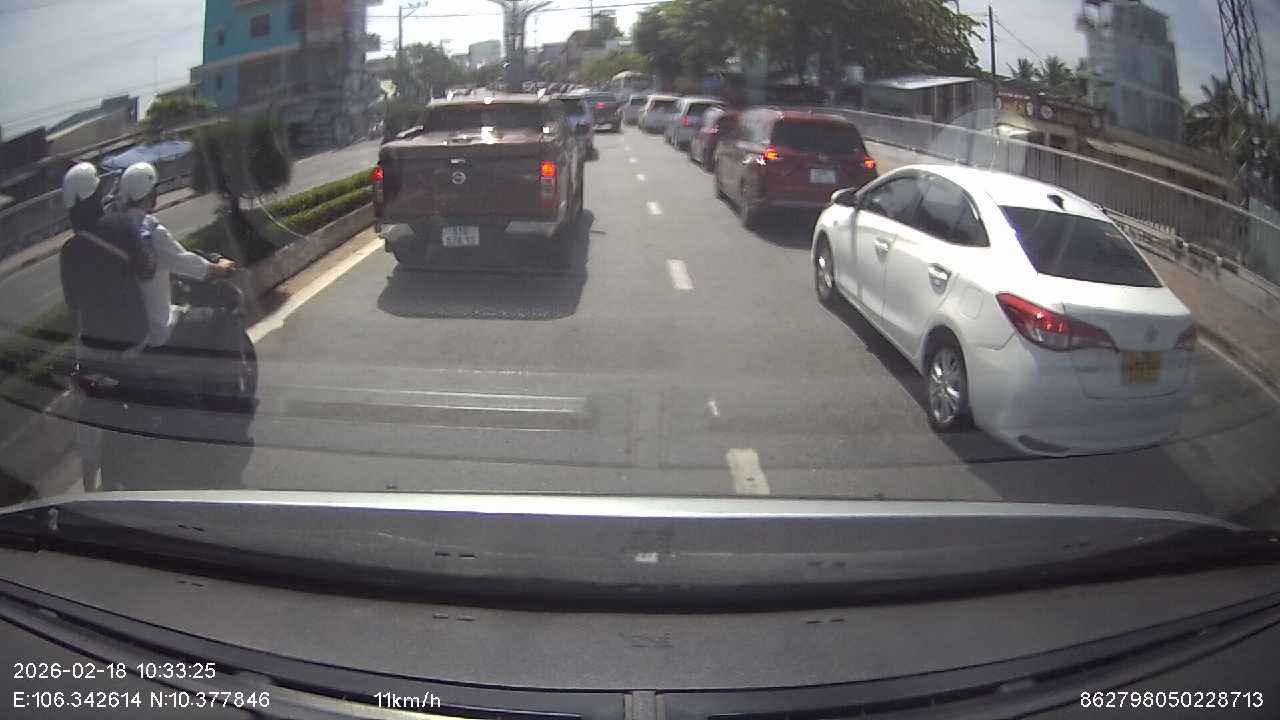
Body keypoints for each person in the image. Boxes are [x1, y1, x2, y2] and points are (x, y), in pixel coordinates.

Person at [58, 161, 154, 490]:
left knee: (88, 409)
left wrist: (78, 354)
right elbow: (146, 271)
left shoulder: (69, 251)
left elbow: (73, 306)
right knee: (152, 391)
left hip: (93, 347)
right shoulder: (121, 224)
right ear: (97, 194)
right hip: (133, 339)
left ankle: (87, 485)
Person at [113, 162, 237, 356]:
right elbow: (188, 264)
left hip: (128, 334)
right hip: (160, 330)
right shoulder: (151, 232)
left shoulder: (116, 230)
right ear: (152, 195)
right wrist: (221, 268)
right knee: (220, 319)